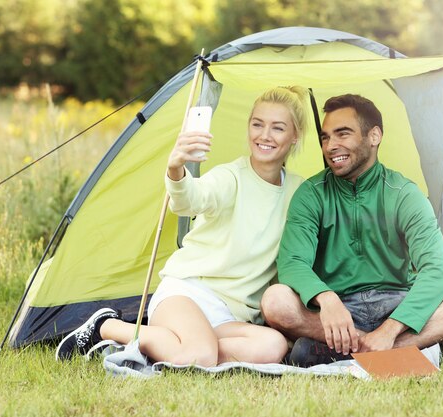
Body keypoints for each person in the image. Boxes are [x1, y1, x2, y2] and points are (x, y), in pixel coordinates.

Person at [56, 86, 309, 366]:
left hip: (229, 317)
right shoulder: (230, 177)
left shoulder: (299, 191)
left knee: (272, 346)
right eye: (257, 124)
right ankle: (106, 326)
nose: (264, 135)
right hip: (187, 294)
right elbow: (189, 200)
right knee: (200, 355)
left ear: (295, 136)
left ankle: (173, 346)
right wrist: (176, 168)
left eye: (278, 128)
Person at [261, 94, 443, 366]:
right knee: (275, 300)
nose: (331, 146)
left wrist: (390, 330)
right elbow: (292, 262)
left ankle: (371, 350)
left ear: (374, 136)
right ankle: (420, 347)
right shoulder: (311, 194)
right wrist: (327, 299)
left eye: (342, 134)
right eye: (325, 138)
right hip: (340, 312)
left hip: (398, 303)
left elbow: (437, 270)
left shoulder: (404, 194)